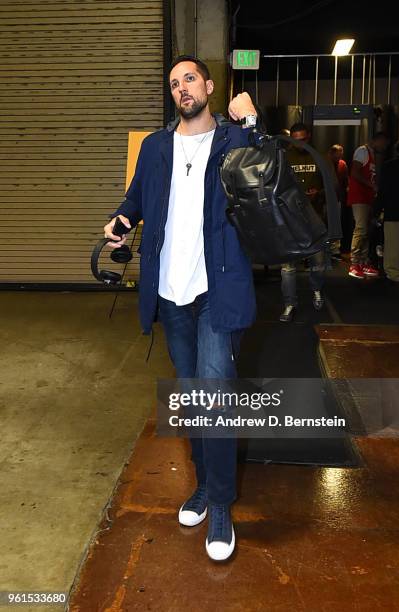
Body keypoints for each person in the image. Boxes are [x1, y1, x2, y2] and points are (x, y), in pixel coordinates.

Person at [103, 55, 260, 562]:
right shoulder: (154, 147)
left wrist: (252, 121)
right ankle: (202, 485)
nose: (181, 88)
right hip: (170, 294)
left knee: (215, 399)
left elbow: (263, 178)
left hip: (215, 293)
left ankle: (219, 503)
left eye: (189, 78)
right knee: (192, 401)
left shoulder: (233, 139)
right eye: (174, 83)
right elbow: (136, 201)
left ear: (209, 86)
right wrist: (122, 221)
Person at [279, 122, 326, 322]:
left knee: (318, 262)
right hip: (290, 219)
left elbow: (331, 187)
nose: (299, 143)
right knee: (288, 267)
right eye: (295, 139)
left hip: (314, 219)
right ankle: (290, 303)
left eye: (302, 139)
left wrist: (319, 193)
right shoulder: (284, 158)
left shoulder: (319, 156)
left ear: (308, 137)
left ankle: (316, 290)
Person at [347, 132, 389, 279]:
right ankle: (354, 263)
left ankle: (363, 262)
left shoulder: (373, 154)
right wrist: (372, 185)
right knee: (360, 228)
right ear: (378, 140)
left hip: (368, 197)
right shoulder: (362, 151)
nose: (384, 147)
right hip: (359, 196)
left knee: (366, 230)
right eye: (384, 144)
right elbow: (354, 173)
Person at [374, 139, 399, 283]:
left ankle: (395, 274)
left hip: (394, 210)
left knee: (394, 245)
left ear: (396, 151)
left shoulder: (389, 166)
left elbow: (383, 191)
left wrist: (376, 211)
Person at [327, 144, 349, 257]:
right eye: (336, 157)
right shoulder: (325, 163)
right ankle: (325, 247)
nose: (338, 159)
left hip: (337, 197)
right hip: (325, 198)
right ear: (331, 154)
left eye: (340, 156)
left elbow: (345, 181)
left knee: (336, 222)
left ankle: (335, 248)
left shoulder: (342, 164)